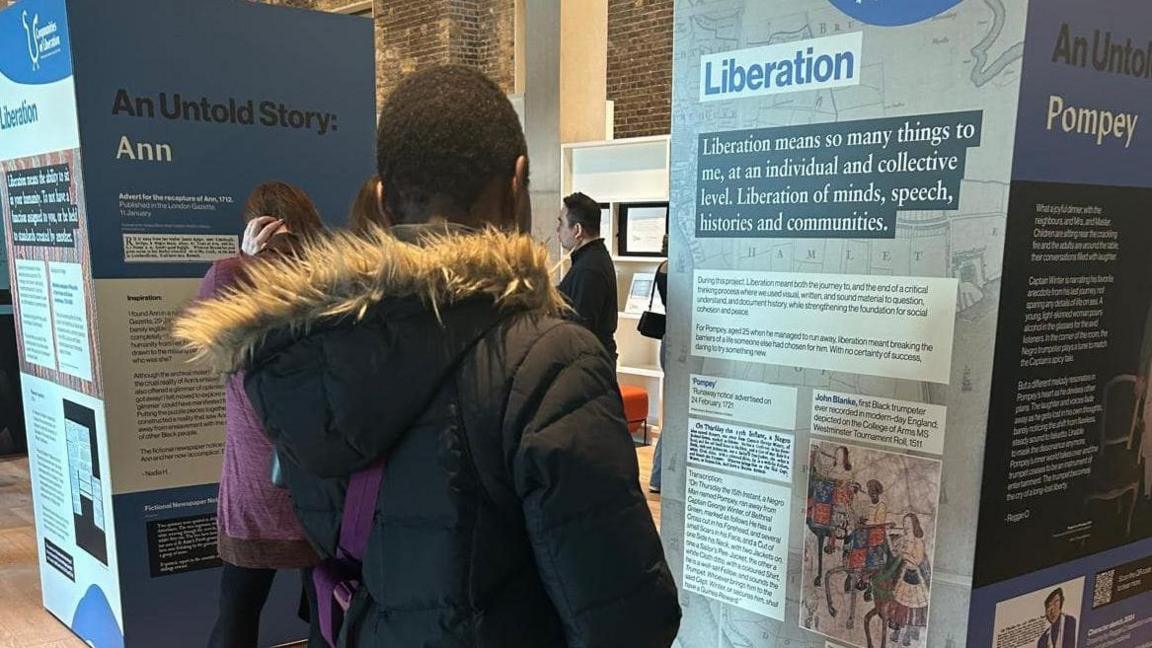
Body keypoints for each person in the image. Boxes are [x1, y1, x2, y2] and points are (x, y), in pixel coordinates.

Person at [174, 65, 680, 648]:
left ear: (384, 201)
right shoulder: (550, 359)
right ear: (518, 185)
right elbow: (626, 617)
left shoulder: (302, 349)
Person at [197, 181, 324, 648]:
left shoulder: (231, 275)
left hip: (256, 479)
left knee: (238, 607)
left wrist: (250, 266)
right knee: (329, 611)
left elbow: (208, 344)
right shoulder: (336, 281)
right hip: (324, 476)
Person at [557, 192, 618, 357]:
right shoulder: (591, 259)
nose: (558, 230)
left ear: (577, 230)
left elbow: (581, 329)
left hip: (590, 364)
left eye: (561, 223)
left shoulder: (589, 268)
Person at [890, 513, 930, 646]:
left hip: (915, 578)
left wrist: (905, 556)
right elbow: (898, 553)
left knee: (912, 607)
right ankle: (898, 629)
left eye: (908, 523)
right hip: (905, 574)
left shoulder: (918, 541)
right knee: (901, 605)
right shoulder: (905, 538)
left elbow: (917, 560)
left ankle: (908, 633)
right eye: (904, 523)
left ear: (914, 524)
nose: (905, 526)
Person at [649, 235, 669, 493]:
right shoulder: (682, 270)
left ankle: (658, 475)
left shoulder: (662, 267)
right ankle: (660, 475)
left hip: (668, 339)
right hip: (681, 342)